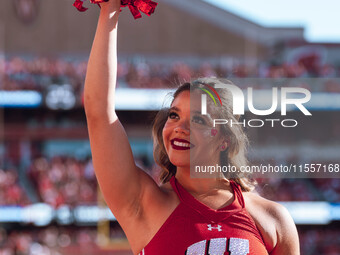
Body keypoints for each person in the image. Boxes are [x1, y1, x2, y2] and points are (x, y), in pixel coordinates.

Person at [83, 1, 300, 254]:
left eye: (199, 120)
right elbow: (98, 112)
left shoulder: (273, 219)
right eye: (174, 115)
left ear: (225, 140)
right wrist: (110, 9)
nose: (179, 127)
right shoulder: (145, 204)